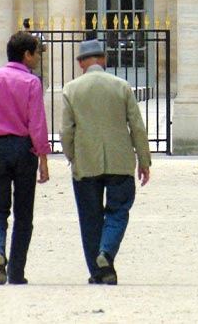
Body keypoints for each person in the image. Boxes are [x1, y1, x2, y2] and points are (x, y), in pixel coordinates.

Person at [62, 39, 151, 286]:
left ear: (81, 63)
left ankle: (98, 271)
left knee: (89, 219)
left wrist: (72, 156)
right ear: (104, 60)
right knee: (118, 211)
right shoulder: (121, 86)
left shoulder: (71, 89)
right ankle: (106, 254)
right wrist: (144, 160)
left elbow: (66, 131)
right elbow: (137, 127)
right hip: (119, 160)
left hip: (86, 161)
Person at [0, 31, 50, 286]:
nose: (38, 58)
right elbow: (37, 124)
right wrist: (44, 159)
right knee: (24, 214)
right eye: (36, 53)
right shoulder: (32, 83)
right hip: (24, 149)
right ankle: (16, 272)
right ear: (26, 54)